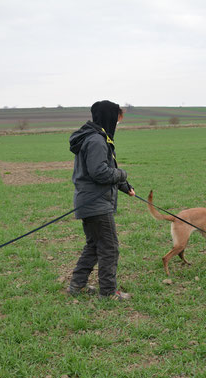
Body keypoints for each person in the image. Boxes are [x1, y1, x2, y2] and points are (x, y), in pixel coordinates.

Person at [67, 100, 135, 300]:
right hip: (95, 203)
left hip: (89, 201)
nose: (118, 123)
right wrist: (122, 174)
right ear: (109, 118)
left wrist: (125, 186)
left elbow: (101, 170)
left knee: (94, 246)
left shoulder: (94, 137)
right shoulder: (97, 140)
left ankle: (76, 286)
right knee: (109, 247)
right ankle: (107, 292)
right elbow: (99, 173)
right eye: (117, 119)